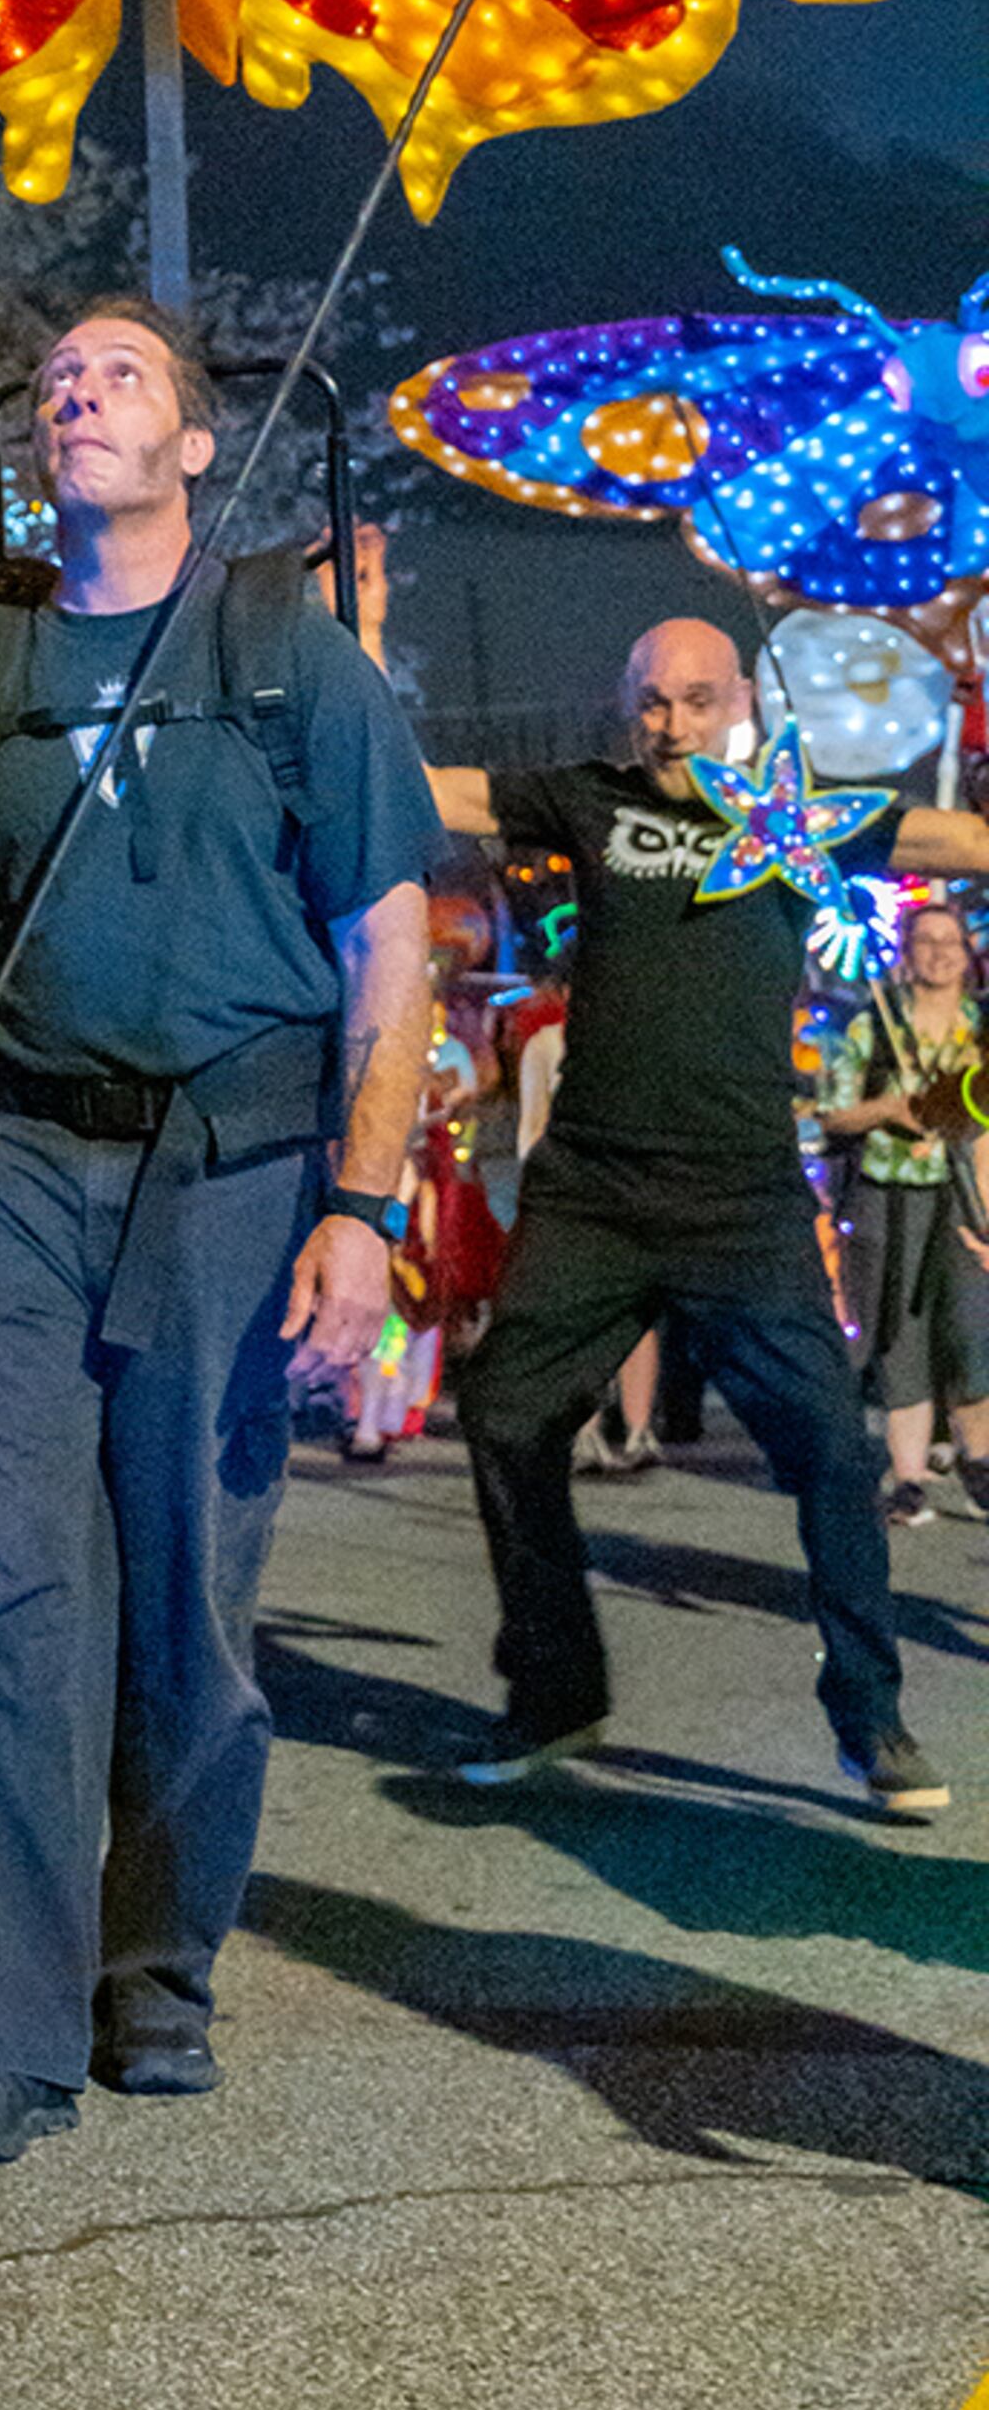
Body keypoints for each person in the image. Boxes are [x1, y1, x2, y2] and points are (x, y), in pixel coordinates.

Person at [0, 299, 435, 2162]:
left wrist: (364, 1205)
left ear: (189, 447)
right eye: (62, 379)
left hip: (235, 1179)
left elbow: (384, 944)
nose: (80, 395)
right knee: (9, 1583)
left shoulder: (288, 656)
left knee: (189, 1614)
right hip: (11, 1171)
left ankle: (155, 1970)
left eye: (124, 378)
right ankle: (8, 2034)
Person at [420, 626, 989, 1809]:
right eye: (649, 702)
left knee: (833, 1452)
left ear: (741, 700)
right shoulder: (589, 798)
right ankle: (557, 1688)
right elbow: (437, 788)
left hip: (739, 1196)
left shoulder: (800, 816)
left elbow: (960, 838)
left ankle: (872, 1718)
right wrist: (349, 656)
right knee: (509, 1415)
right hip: (594, 1184)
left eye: (693, 699)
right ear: (624, 706)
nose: (669, 723)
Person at [823, 890, 989, 1522]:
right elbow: (835, 1111)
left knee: (971, 1329)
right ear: (906, 953)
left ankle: (979, 1456)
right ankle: (909, 1476)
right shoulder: (873, 1022)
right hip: (886, 1194)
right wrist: (890, 1110)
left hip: (964, 1196)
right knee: (898, 1333)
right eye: (926, 942)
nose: (940, 955)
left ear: (968, 956)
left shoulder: (981, 1029)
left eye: (951, 944)